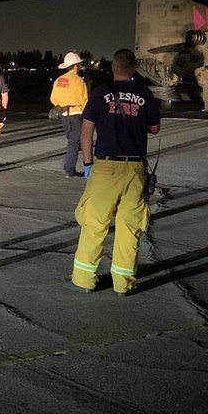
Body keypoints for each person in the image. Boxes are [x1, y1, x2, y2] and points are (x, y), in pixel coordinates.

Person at [71, 48, 161, 295]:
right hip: (134, 168)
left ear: (113, 68)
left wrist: (88, 164)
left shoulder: (100, 94)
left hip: (105, 167)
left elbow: (86, 131)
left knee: (94, 223)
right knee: (130, 227)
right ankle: (123, 284)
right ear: (134, 69)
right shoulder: (145, 94)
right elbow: (155, 129)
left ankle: (84, 279)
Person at [50, 51, 89, 178]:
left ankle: (70, 166)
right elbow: (84, 101)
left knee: (72, 141)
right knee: (74, 142)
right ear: (76, 66)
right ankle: (69, 170)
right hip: (76, 114)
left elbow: (53, 98)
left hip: (63, 115)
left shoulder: (59, 80)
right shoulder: (79, 81)